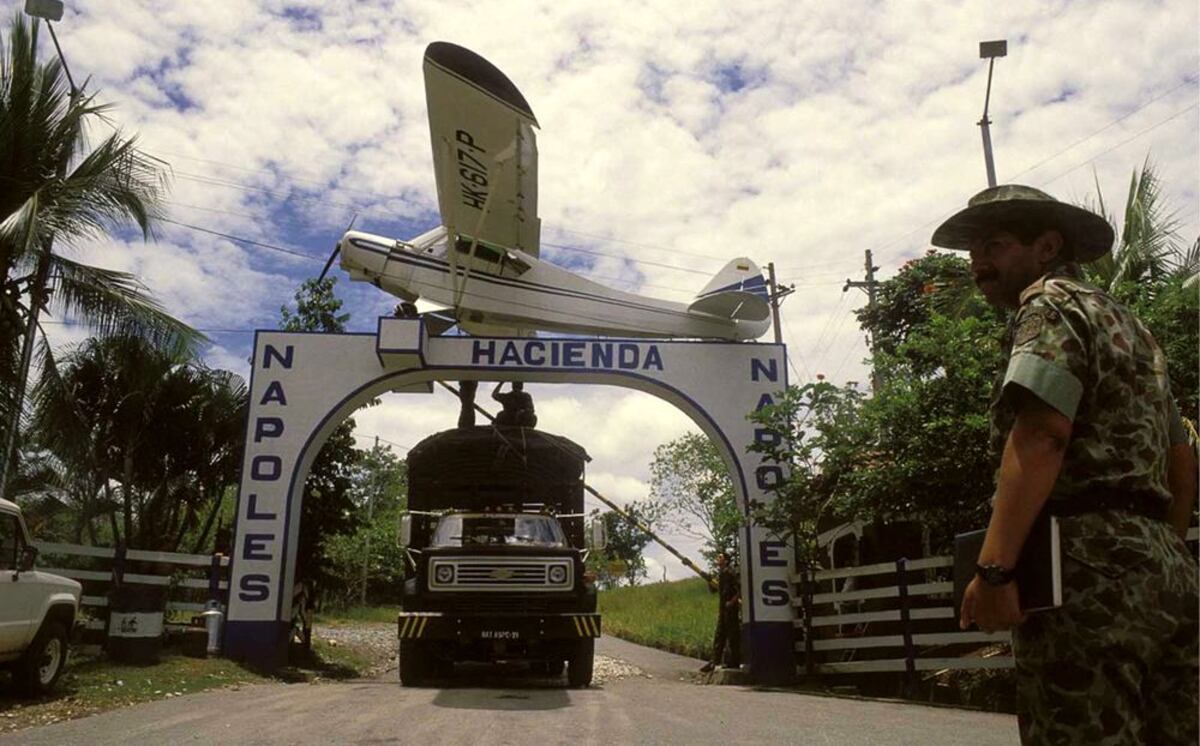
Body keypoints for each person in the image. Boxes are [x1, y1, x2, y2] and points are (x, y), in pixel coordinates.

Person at [933, 184, 1198, 744]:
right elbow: (1180, 456)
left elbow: (1042, 436)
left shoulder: (1050, 306)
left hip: (1082, 571)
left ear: (1047, 246)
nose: (978, 260)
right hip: (1167, 571)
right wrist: (1160, 556)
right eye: (974, 250)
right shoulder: (1137, 332)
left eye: (996, 245)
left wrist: (996, 570)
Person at [700, 552, 741, 672]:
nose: (717, 559)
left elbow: (739, 590)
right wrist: (708, 580)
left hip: (731, 609)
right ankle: (714, 662)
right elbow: (713, 590)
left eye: (720, 557)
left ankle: (734, 662)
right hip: (723, 609)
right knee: (719, 635)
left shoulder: (731, 572)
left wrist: (732, 602)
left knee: (732, 635)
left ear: (726, 561)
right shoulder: (721, 574)